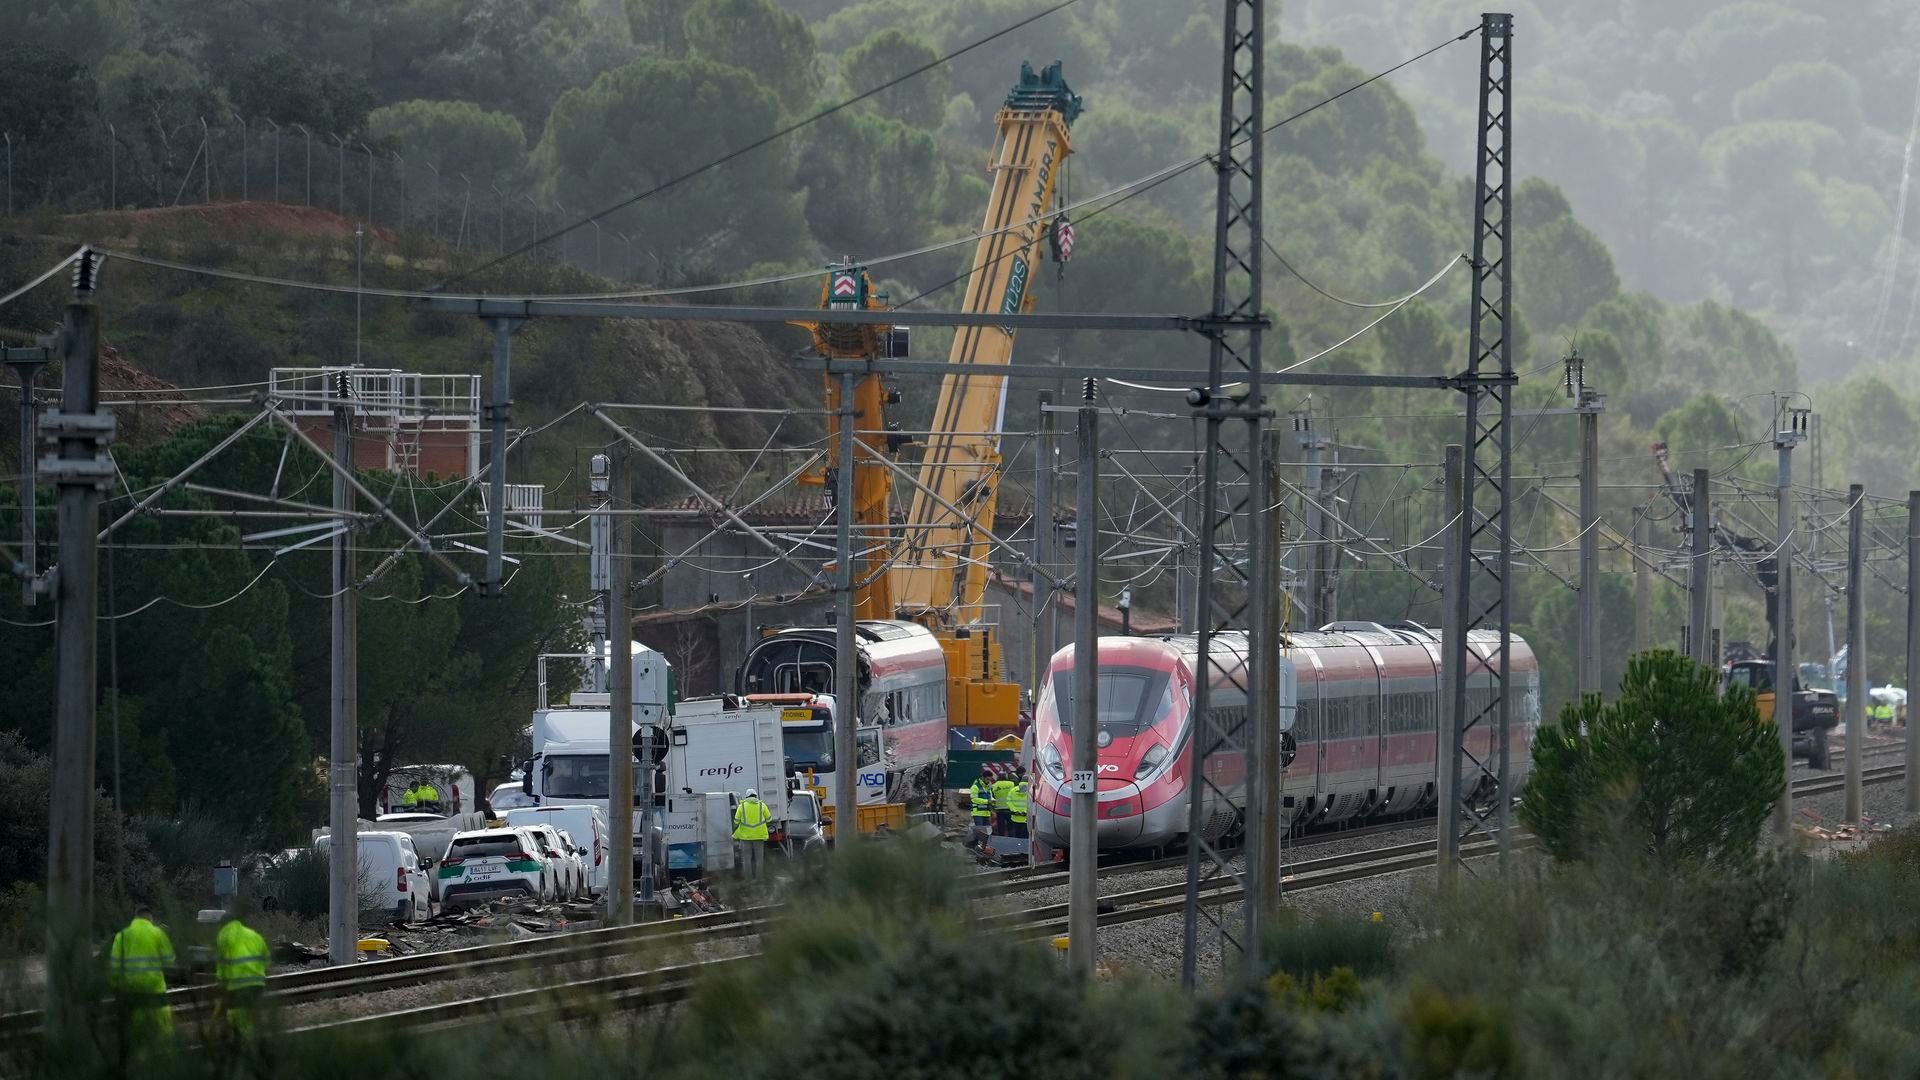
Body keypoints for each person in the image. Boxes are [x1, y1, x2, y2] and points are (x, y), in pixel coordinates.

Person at [108, 905, 175, 1046]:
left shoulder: (122, 935)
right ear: (150, 919)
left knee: (138, 1038)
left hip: (133, 994)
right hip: (156, 994)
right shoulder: (158, 933)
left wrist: (116, 989)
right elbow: (170, 960)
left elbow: (114, 967)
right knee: (164, 1037)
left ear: (135, 919)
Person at [214, 913, 269, 1036]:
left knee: (235, 1014)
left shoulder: (223, 936)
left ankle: (245, 1042)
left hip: (237, 985)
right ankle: (257, 1037)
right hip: (258, 983)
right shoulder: (254, 935)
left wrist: (221, 982)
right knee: (249, 1011)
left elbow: (222, 963)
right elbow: (266, 959)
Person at [733, 789, 773, 878]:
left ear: (747, 797)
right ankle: (759, 878)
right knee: (759, 859)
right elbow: (769, 819)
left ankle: (748, 879)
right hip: (759, 836)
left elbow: (736, 821)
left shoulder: (741, 806)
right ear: (755, 796)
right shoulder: (762, 805)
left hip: (745, 837)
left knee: (747, 860)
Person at [968, 773, 995, 845]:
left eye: (990, 779)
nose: (988, 781)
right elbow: (974, 799)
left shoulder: (989, 786)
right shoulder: (975, 786)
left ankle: (985, 846)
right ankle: (977, 845)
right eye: (987, 779)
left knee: (987, 831)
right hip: (978, 812)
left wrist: (993, 800)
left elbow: (990, 796)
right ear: (983, 778)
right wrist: (987, 801)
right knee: (979, 830)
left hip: (986, 812)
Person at [990, 771, 1017, 836]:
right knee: (1011, 826)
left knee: (1001, 827)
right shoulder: (1012, 784)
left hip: (999, 810)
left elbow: (992, 798)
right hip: (1010, 809)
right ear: (1006, 777)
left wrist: (993, 809)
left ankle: (1001, 839)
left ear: (998, 777)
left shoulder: (993, 786)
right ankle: (1011, 839)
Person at [1009, 770, 1030, 840]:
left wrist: (1015, 810)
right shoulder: (1031, 791)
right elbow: (1033, 803)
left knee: (1016, 837)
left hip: (1015, 817)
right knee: (1025, 837)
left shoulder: (1013, 790)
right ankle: (1024, 850)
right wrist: (1024, 811)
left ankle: (1017, 849)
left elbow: (1009, 801)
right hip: (1026, 818)